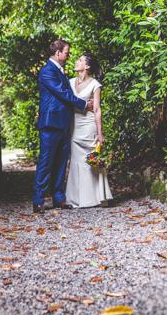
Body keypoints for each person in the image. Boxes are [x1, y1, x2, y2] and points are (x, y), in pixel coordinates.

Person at [32, 40, 94, 213]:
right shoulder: (47, 71)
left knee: (60, 162)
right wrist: (83, 104)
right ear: (57, 53)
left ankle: (58, 198)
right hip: (50, 123)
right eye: (66, 52)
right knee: (45, 162)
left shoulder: (60, 70)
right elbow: (63, 93)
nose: (68, 56)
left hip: (64, 123)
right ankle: (38, 201)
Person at [65, 51, 113, 208]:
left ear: (87, 66)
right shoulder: (70, 82)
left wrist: (100, 132)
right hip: (75, 125)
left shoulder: (95, 85)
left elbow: (97, 109)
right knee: (76, 161)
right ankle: (75, 199)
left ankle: (95, 198)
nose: (76, 62)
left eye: (80, 60)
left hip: (89, 125)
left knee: (90, 160)